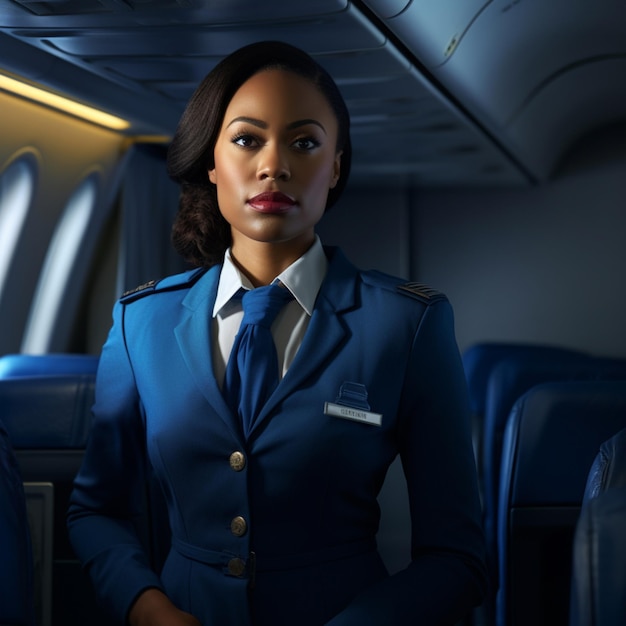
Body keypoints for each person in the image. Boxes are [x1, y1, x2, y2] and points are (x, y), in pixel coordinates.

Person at [67, 40, 487, 626]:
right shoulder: (143, 322)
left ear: (335, 166)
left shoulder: (406, 324)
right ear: (212, 161)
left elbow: (458, 557)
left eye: (305, 142)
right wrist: (149, 608)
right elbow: (96, 510)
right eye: (246, 139)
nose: (274, 165)